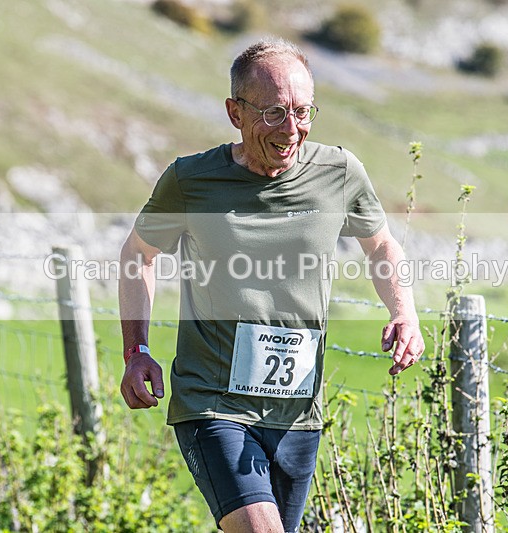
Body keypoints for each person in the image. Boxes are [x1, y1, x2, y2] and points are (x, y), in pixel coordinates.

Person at [118, 37, 425, 533]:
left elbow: (383, 246)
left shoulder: (339, 173)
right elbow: (138, 256)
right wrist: (137, 349)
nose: (292, 130)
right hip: (211, 401)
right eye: (275, 113)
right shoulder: (190, 181)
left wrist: (403, 312)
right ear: (235, 113)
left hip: (298, 411)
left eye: (303, 112)